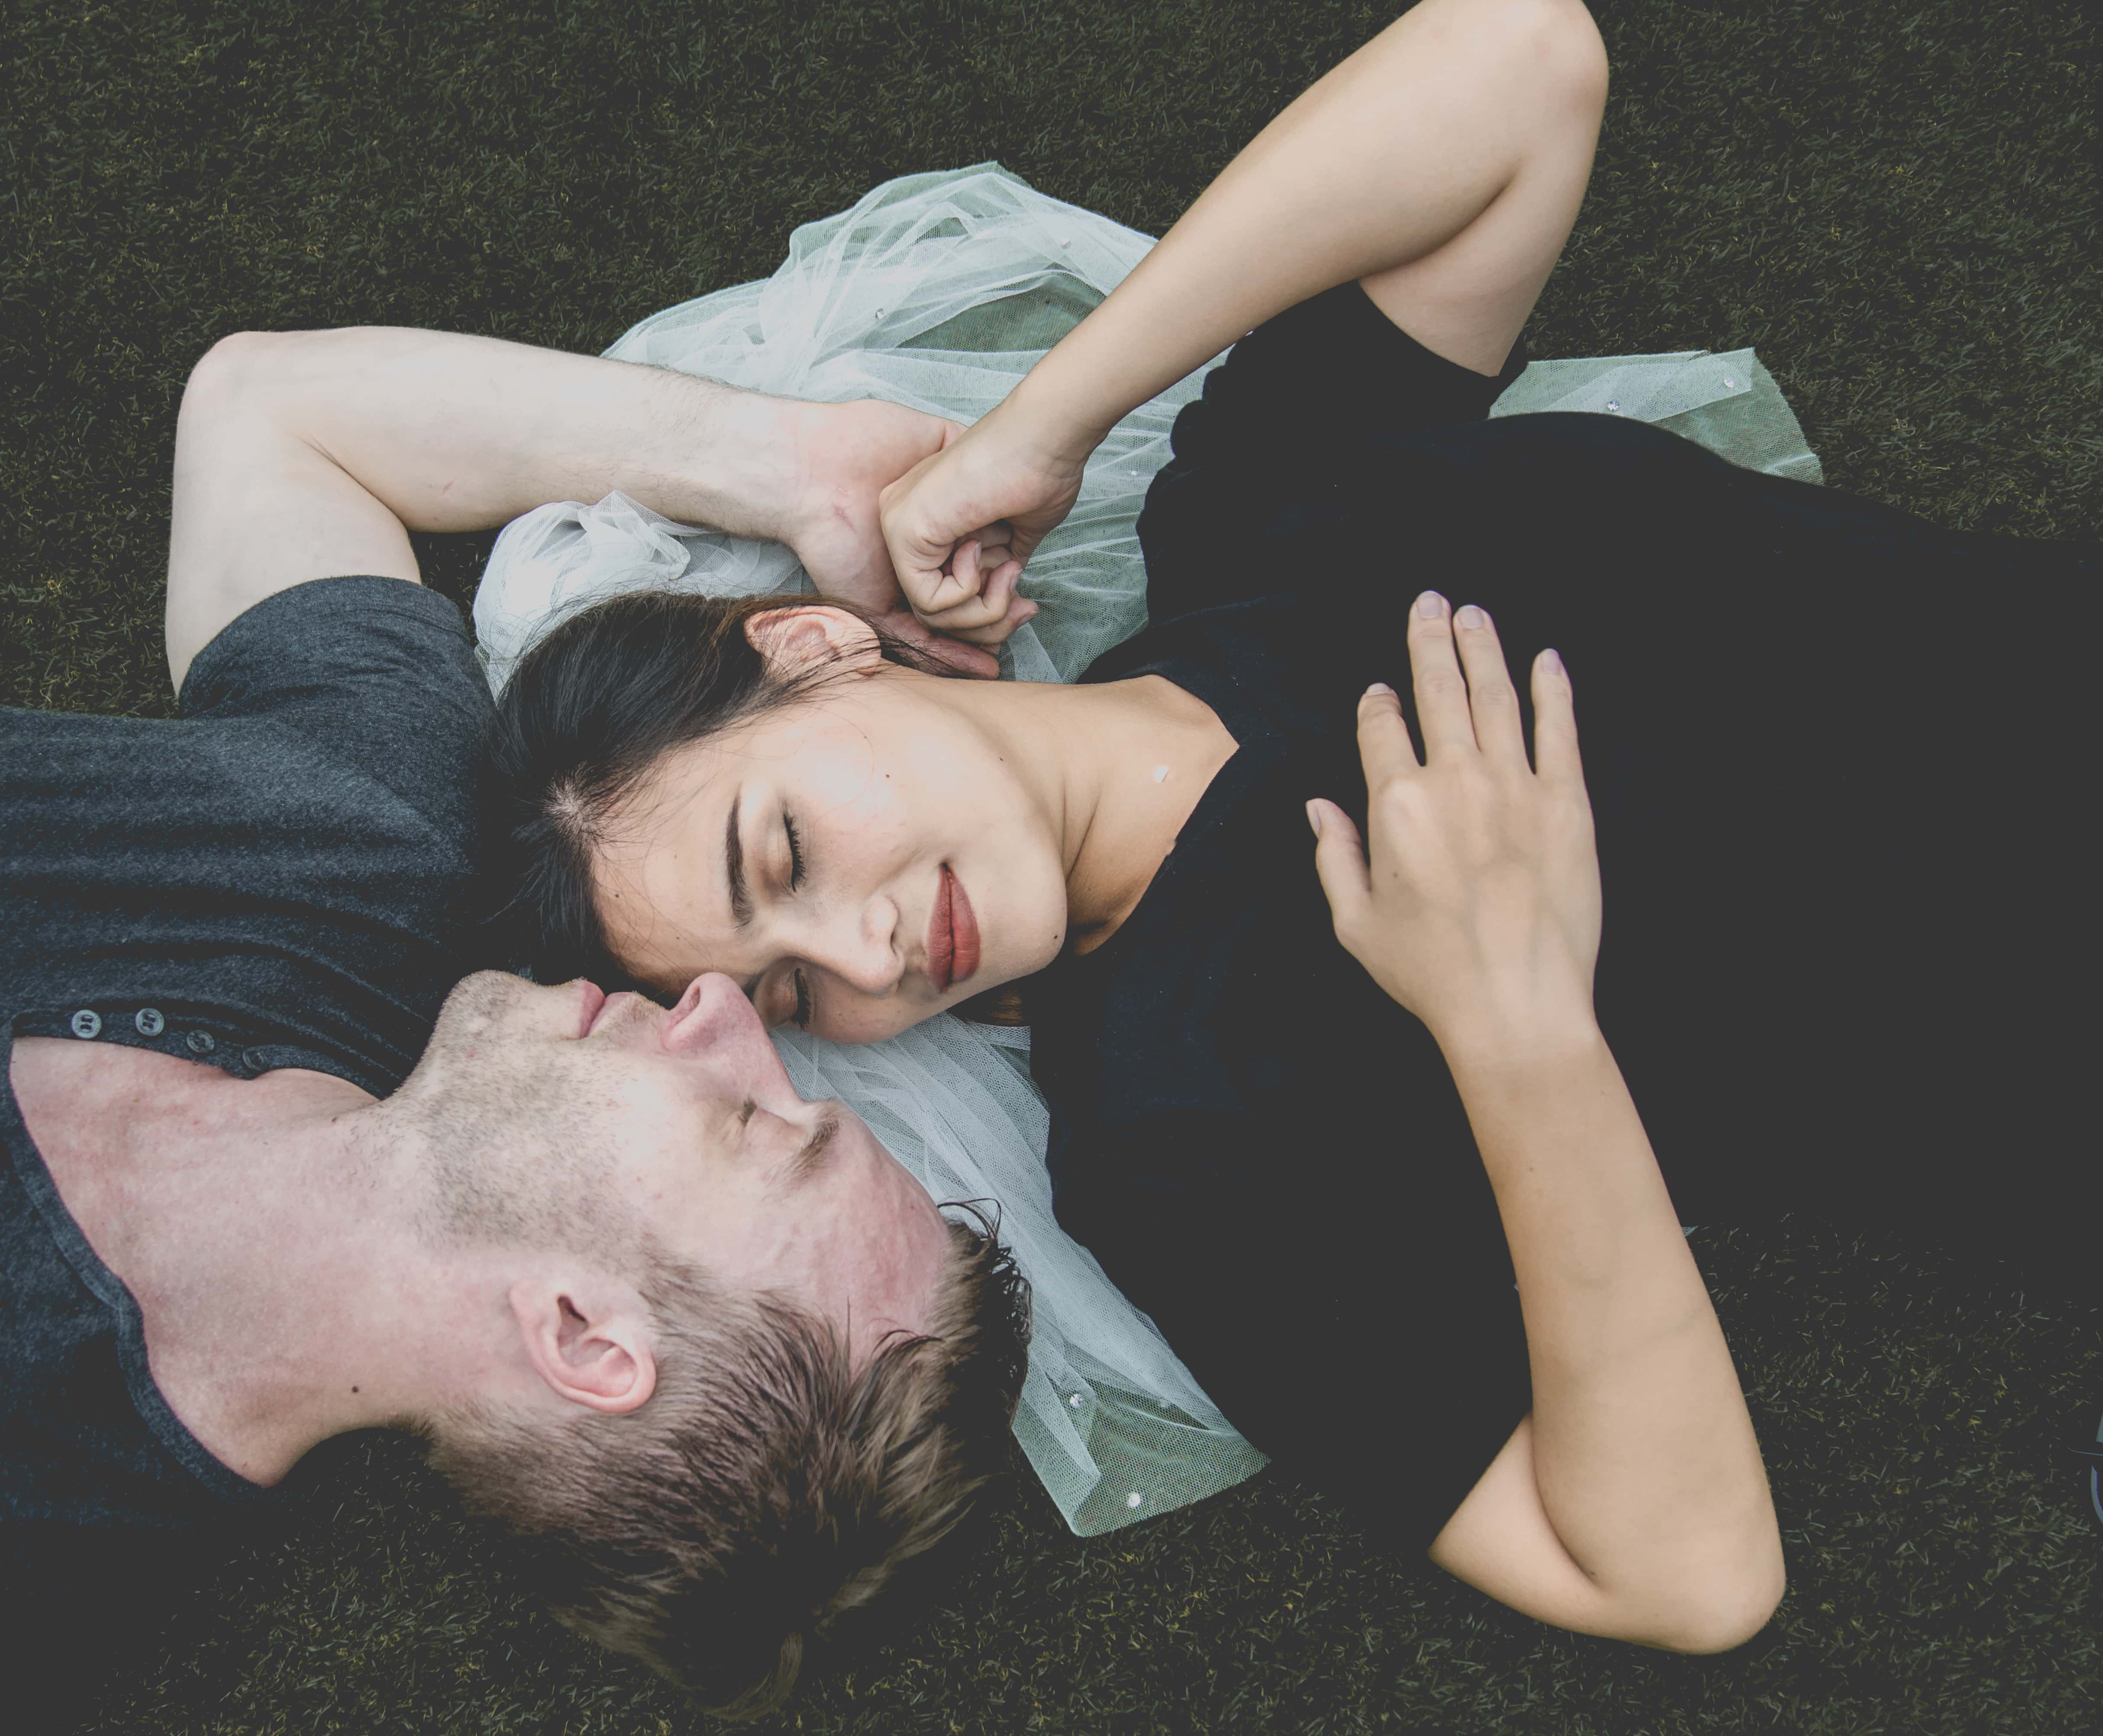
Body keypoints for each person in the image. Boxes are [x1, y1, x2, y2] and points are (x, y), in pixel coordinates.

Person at [486, 0, 2102, 1654]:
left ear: (815, 646)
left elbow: (1526, 61)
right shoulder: (1178, 1135)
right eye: (790, 995)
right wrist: (1519, 1021)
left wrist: (1050, 421)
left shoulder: (1266, 523)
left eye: (786, 857)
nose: (864, 955)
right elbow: (1681, 1576)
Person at [0, 314, 1030, 1732]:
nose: (713, 1013)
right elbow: (273, 413)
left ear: (582, 1335)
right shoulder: (371, 868)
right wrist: (793, 462)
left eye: (756, 1122)